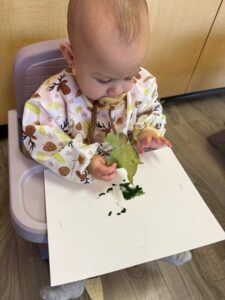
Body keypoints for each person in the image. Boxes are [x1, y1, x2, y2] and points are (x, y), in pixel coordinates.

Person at [22, 1, 192, 299]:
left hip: (122, 168)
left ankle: (163, 244)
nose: (119, 90)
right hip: (77, 175)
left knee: (150, 201)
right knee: (77, 224)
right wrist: (85, 161)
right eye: (103, 80)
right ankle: (73, 277)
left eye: (129, 74)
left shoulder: (138, 84)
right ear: (71, 57)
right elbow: (36, 135)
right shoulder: (53, 97)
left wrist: (148, 131)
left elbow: (149, 110)